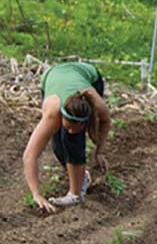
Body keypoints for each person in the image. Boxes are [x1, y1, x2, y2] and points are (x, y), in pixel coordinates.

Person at [22, 61, 111, 213]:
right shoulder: (52, 113)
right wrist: (37, 195)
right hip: (51, 77)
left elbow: (106, 120)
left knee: (73, 141)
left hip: (88, 76)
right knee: (58, 142)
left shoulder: (95, 103)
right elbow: (29, 156)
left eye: (77, 127)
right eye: (68, 125)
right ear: (62, 116)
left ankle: (75, 193)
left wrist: (100, 151)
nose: (70, 130)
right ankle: (83, 177)